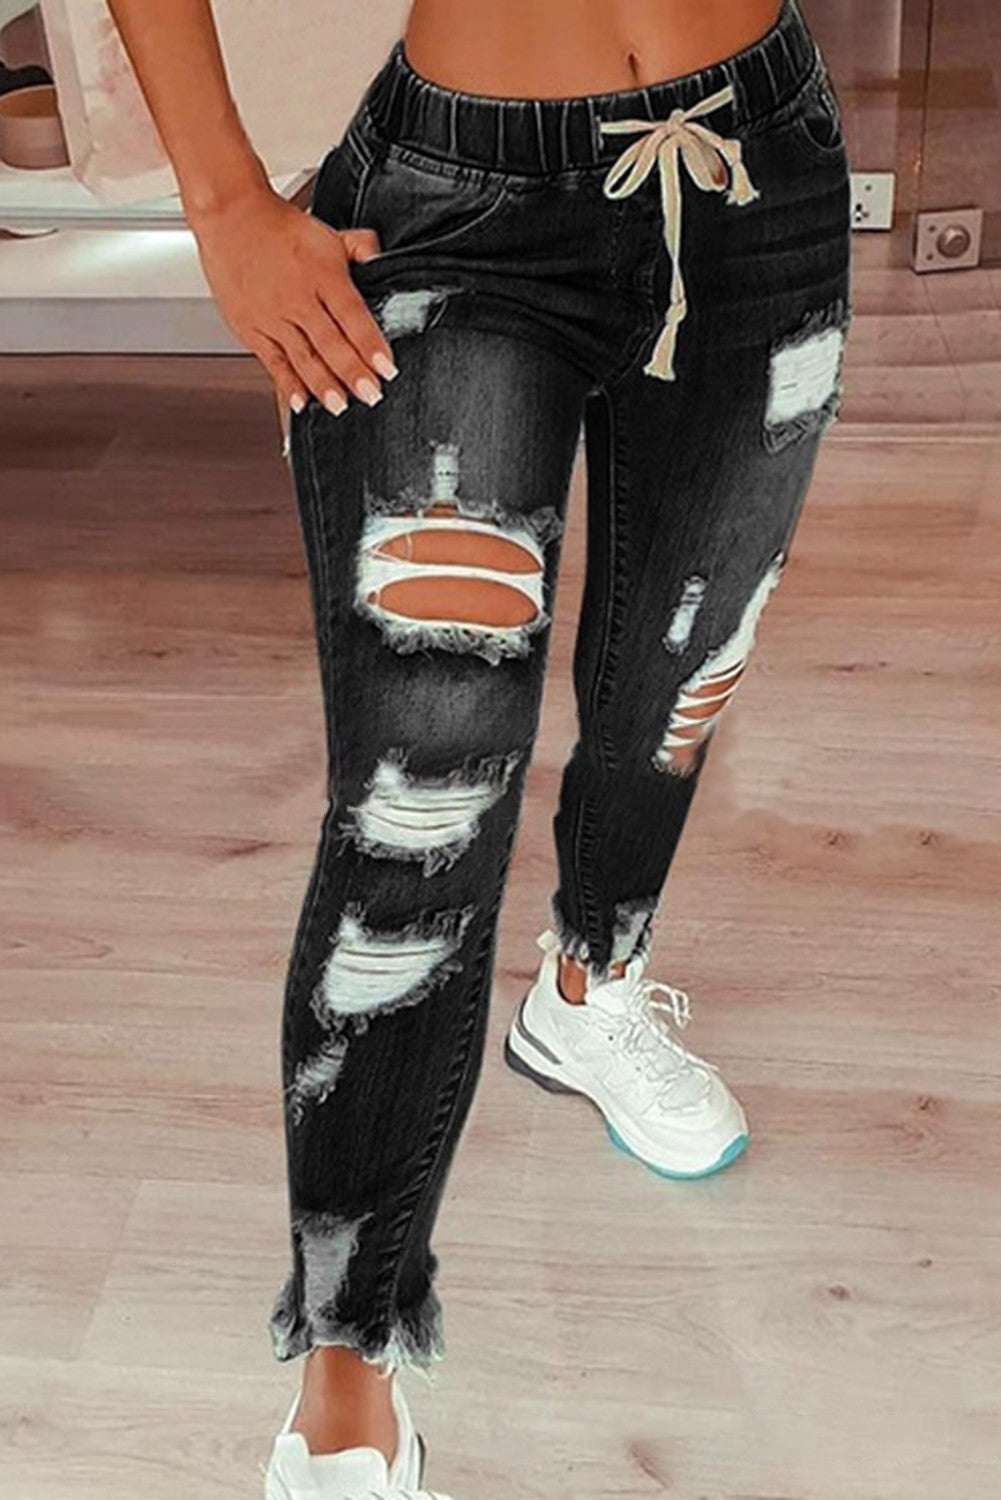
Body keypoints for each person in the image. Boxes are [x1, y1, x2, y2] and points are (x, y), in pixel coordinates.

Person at [107, 1, 852, 1495]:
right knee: (420, 806)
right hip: (460, 205)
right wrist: (224, 204)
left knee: (677, 682)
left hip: (761, 168)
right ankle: (345, 1374)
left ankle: (588, 990)